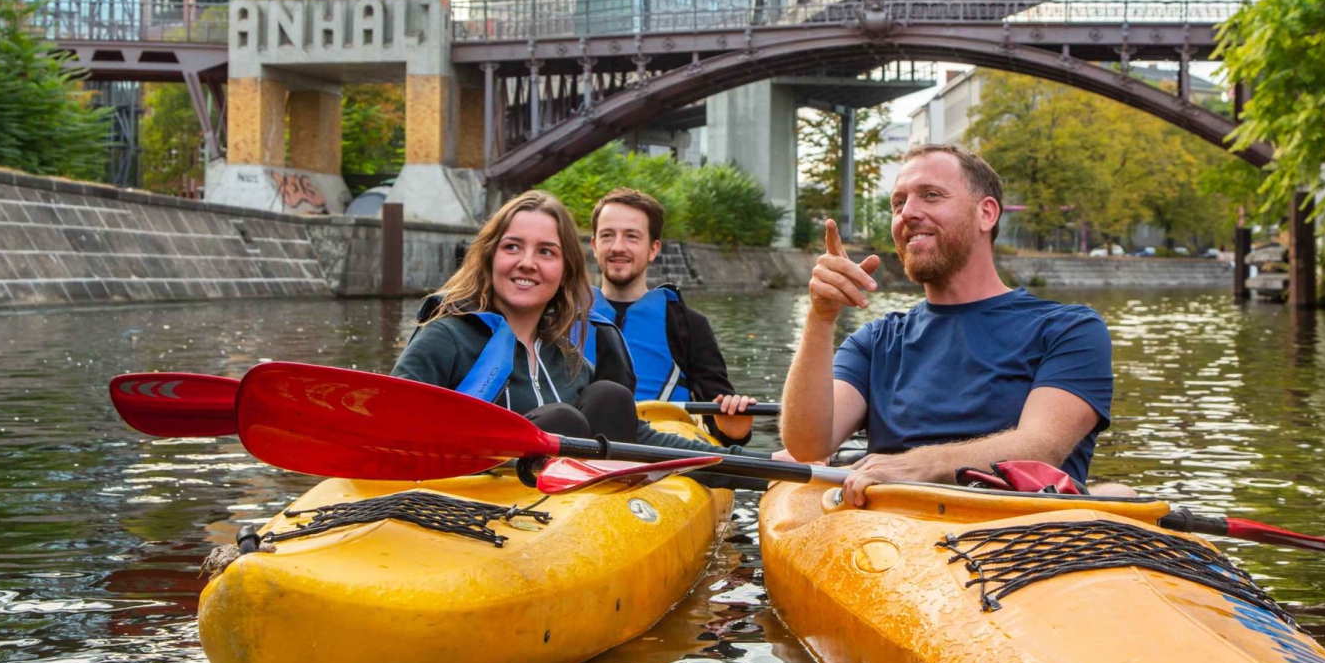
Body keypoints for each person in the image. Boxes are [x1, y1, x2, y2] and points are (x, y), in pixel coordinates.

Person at [780, 143, 1122, 507]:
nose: (907, 213)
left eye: (930, 195)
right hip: (887, 532)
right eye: (898, 203)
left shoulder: (1069, 330)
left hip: (1023, 528)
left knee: (1119, 494)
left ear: (986, 214)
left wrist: (916, 466)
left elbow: (1039, 448)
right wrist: (821, 317)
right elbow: (807, 445)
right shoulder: (874, 340)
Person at [391, 190, 749, 457]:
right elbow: (385, 424)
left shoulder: (565, 357)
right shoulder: (447, 336)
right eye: (512, 247)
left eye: (546, 252)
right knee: (561, 423)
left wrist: (756, 460)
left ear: (564, 272)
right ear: (489, 257)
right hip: (475, 501)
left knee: (609, 398)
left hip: (559, 518)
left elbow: (640, 437)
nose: (527, 263)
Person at [588, 188, 756, 447]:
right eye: (607, 236)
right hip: (583, 442)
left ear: (653, 249)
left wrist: (734, 431)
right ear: (594, 245)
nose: (618, 247)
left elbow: (720, 412)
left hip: (664, 449)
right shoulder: (561, 318)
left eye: (632, 237)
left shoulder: (688, 325)